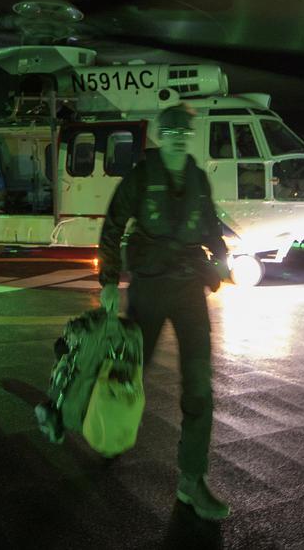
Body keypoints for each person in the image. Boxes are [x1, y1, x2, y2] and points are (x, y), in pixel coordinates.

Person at [97, 104, 232, 520]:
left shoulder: (197, 178)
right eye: (169, 128)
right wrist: (107, 281)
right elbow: (114, 223)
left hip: (189, 287)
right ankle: (111, 432)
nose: (176, 134)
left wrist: (222, 262)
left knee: (198, 384)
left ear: (190, 133)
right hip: (150, 286)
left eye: (183, 128)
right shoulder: (140, 177)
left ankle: (192, 479)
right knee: (132, 369)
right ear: (159, 132)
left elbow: (211, 227)